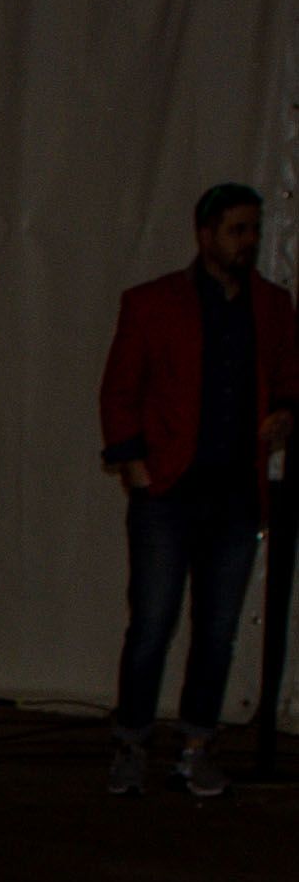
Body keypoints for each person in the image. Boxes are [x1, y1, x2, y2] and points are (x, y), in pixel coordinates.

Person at [99, 181, 298, 798]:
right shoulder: (154, 302)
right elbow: (119, 389)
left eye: (254, 230)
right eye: (237, 230)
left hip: (236, 493)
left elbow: (289, 378)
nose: (249, 241)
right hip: (169, 492)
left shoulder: (271, 305)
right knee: (152, 624)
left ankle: (196, 746)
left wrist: (285, 413)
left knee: (217, 630)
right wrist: (133, 464)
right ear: (205, 234)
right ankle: (131, 741)